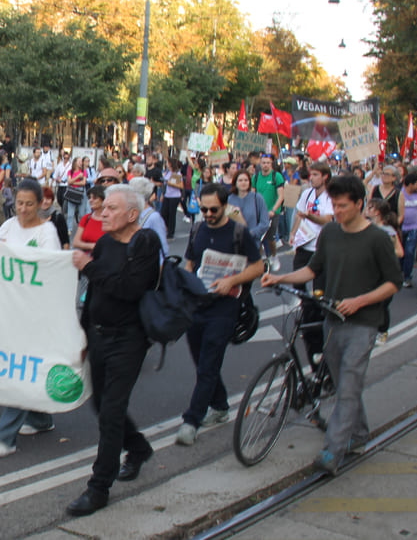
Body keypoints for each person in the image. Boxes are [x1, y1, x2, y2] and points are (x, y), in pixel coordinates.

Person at [262, 175, 402, 475]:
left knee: (349, 384)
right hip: (333, 321)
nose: (336, 212)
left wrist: (361, 301)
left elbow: (393, 283)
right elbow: (313, 269)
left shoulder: (377, 238)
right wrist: (281, 277)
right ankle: (359, 433)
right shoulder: (330, 234)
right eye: (334, 206)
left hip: (363, 323)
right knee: (344, 385)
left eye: (342, 206)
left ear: (360, 204)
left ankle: (332, 451)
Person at [65, 185, 161, 517]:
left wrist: (88, 266)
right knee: (101, 405)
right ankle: (138, 448)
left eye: (111, 209)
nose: (102, 213)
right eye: (103, 207)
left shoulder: (145, 243)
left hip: (128, 340)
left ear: (132, 215)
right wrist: (84, 335)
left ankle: (98, 488)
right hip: (99, 335)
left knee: (110, 414)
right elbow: (95, 294)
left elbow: (129, 288)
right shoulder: (104, 243)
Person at [175, 183, 264, 446]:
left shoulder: (239, 233)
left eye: (214, 209)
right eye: (203, 209)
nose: (209, 213)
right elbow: (191, 261)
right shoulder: (198, 228)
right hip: (198, 305)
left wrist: (232, 280)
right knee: (202, 362)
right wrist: (187, 282)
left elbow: (258, 266)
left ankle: (192, 420)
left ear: (225, 206)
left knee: (208, 364)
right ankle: (221, 405)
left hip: (225, 308)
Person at [0, 179, 59, 454]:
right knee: (17, 366)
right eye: (19, 203)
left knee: (19, 368)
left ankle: (4, 437)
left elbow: (52, 271)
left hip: (35, 312)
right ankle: (40, 418)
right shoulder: (8, 226)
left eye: (29, 204)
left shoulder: (48, 232)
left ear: (41, 204)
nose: (23, 209)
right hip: (8, 309)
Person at [289, 162, 334, 375]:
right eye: (311, 174)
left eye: (316, 175)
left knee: (319, 287)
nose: (312, 177)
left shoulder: (331, 196)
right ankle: (307, 306)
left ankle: (319, 309)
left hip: (320, 247)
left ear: (325, 177)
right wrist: (293, 234)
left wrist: (311, 217)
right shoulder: (307, 194)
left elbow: (327, 220)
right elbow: (299, 215)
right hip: (304, 245)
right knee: (297, 280)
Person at [366, 197, 404, 346]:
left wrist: (383, 254)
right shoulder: (369, 227)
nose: (366, 210)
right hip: (372, 273)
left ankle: (382, 332)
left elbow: (400, 252)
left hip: (385, 274)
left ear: (377, 212)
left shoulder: (387, 231)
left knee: (382, 304)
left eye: (369, 208)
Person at [228, 171, 271, 262]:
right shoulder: (229, 199)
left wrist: (251, 233)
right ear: (235, 182)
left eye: (246, 180)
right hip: (233, 244)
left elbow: (264, 222)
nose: (243, 182)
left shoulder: (257, 198)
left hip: (252, 242)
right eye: (240, 180)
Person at [253, 155, 285, 268]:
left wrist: (273, 210)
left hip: (272, 213)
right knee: (258, 237)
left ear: (271, 164)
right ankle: (261, 260)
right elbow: (253, 194)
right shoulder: (256, 177)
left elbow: (281, 196)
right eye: (263, 163)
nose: (265, 165)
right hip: (258, 213)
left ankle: (274, 256)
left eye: (267, 163)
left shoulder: (277, 177)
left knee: (270, 238)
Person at [128, 177, 169, 257]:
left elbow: (163, 247)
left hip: (149, 263)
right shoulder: (131, 213)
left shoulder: (154, 217)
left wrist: (159, 266)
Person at [73, 185, 108, 252]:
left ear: (103, 199)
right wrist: (92, 246)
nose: (90, 200)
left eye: (95, 198)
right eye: (89, 198)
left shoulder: (110, 219)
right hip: (86, 258)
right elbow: (76, 242)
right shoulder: (86, 218)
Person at [161, 158, 184, 239]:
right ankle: (167, 227)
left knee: (171, 214)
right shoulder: (167, 172)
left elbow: (181, 186)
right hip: (167, 195)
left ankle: (171, 232)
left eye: (167, 162)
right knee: (164, 213)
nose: (166, 164)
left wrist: (170, 183)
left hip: (174, 196)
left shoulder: (177, 173)